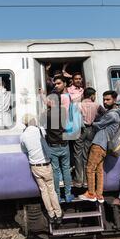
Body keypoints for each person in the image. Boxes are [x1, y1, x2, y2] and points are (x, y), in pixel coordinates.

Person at [79, 90, 120, 203]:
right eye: (104, 99)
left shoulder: (112, 115)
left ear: (114, 100)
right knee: (99, 170)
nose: (105, 102)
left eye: (108, 99)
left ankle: (90, 193)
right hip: (104, 146)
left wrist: (88, 121)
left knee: (90, 168)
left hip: (99, 143)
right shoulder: (117, 113)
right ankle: (99, 194)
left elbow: (98, 124)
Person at [20, 114, 63, 224]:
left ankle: (51, 214)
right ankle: (58, 214)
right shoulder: (40, 130)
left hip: (35, 167)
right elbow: (45, 139)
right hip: (45, 165)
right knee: (51, 190)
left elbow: (24, 150)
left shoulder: (23, 136)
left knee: (43, 191)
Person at [43, 75, 73, 203]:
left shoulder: (46, 115)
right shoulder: (63, 112)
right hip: (64, 145)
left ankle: (58, 196)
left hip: (53, 146)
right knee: (66, 169)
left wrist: (42, 97)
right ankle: (68, 195)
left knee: (55, 171)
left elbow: (43, 129)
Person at [72, 87, 104, 188]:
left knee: (77, 155)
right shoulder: (97, 105)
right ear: (92, 96)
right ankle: (86, 181)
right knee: (87, 155)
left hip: (80, 130)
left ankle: (78, 180)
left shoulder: (78, 105)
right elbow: (105, 114)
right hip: (91, 130)